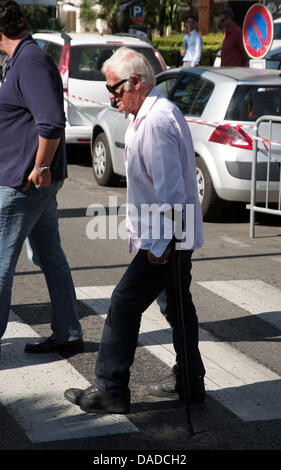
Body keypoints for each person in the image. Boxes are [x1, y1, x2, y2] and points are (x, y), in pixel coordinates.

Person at [64, 47, 206, 414]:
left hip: (167, 238)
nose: (111, 96)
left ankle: (110, 388)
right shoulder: (149, 114)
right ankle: (190, 380)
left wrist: (161, 246)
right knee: (178, 307)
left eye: (114, 89)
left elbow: (172, 191)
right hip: (173, 235)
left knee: (124, 305)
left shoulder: (156, 121)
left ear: (137, 82)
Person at [0, 0, 83, 354]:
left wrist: (41, 168)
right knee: (50, 256)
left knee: (1, 262)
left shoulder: (30, 61)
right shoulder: (19, 60)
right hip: (29, 179)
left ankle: (67, 331)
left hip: (24, 182)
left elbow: (50, 123)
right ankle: (68, 331)